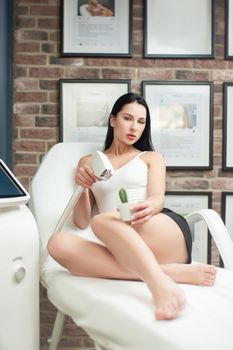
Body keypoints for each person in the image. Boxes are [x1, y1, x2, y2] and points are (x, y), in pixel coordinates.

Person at [48, 93, 217, 320]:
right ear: (112, 120)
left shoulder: (151, 157)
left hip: (157, 227)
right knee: (57, 243)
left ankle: (158, 285)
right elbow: (81, 221)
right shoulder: (88, 162)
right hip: (121, 241)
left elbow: (158, 199)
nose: (134, 127)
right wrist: (82, 186)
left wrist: (149, 206)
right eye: (128, 118)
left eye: (141, 122)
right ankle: (168, 273)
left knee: (103, 220)